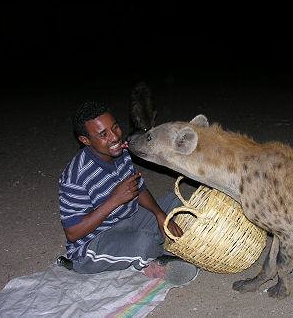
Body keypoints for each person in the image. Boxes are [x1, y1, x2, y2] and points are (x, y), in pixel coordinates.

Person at [57, 100, 198, 285]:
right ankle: (156, 261)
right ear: (85, 140)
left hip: (128, 220)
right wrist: (114, 200)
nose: (114, 137)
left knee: (177, 202)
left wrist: (159, 214)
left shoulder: (120, 152)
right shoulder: (75, 176)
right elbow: (73, 233)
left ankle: (161, 252)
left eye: (115, 127)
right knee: (142, 242)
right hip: (95, 241)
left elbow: (138, 189)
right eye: (103, 134)